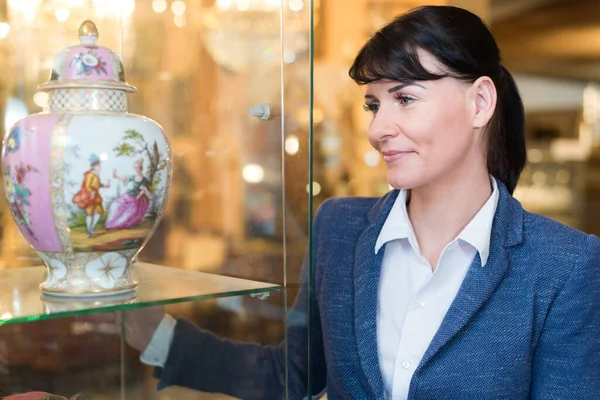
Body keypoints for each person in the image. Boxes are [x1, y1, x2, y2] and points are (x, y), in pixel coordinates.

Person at [87, 6, 600, 399]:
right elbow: (292, 374)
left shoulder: (566, 265)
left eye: (405, 99)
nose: (378, 129)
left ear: (480, 102)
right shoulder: (340, 228)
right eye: (374, 104)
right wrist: (159, 336)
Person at [104, 158, 152, 230]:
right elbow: (125, 179)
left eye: (138, 168)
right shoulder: (133, 177)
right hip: (128, 195)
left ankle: (120, 224)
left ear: (141, 169)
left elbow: (144, 189)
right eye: (136, 168)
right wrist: (116, 176)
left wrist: (139, 195)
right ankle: (111, 223)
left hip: (137, 198)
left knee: (130, 213)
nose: (137, 169)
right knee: (115, 205)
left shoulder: (144, 179)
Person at [72, 154, 110, 238]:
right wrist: (92, 192)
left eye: (99, 165)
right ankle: (88, 231)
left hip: (96, 197)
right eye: (98, 166)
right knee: (90, 213)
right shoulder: (90, 175)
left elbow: (98, 184)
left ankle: (92, 228)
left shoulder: (96, 175)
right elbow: (87, 185)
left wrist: (105, 186)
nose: (100, 167)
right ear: (94, 166)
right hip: (90, 197)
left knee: (100, 212)